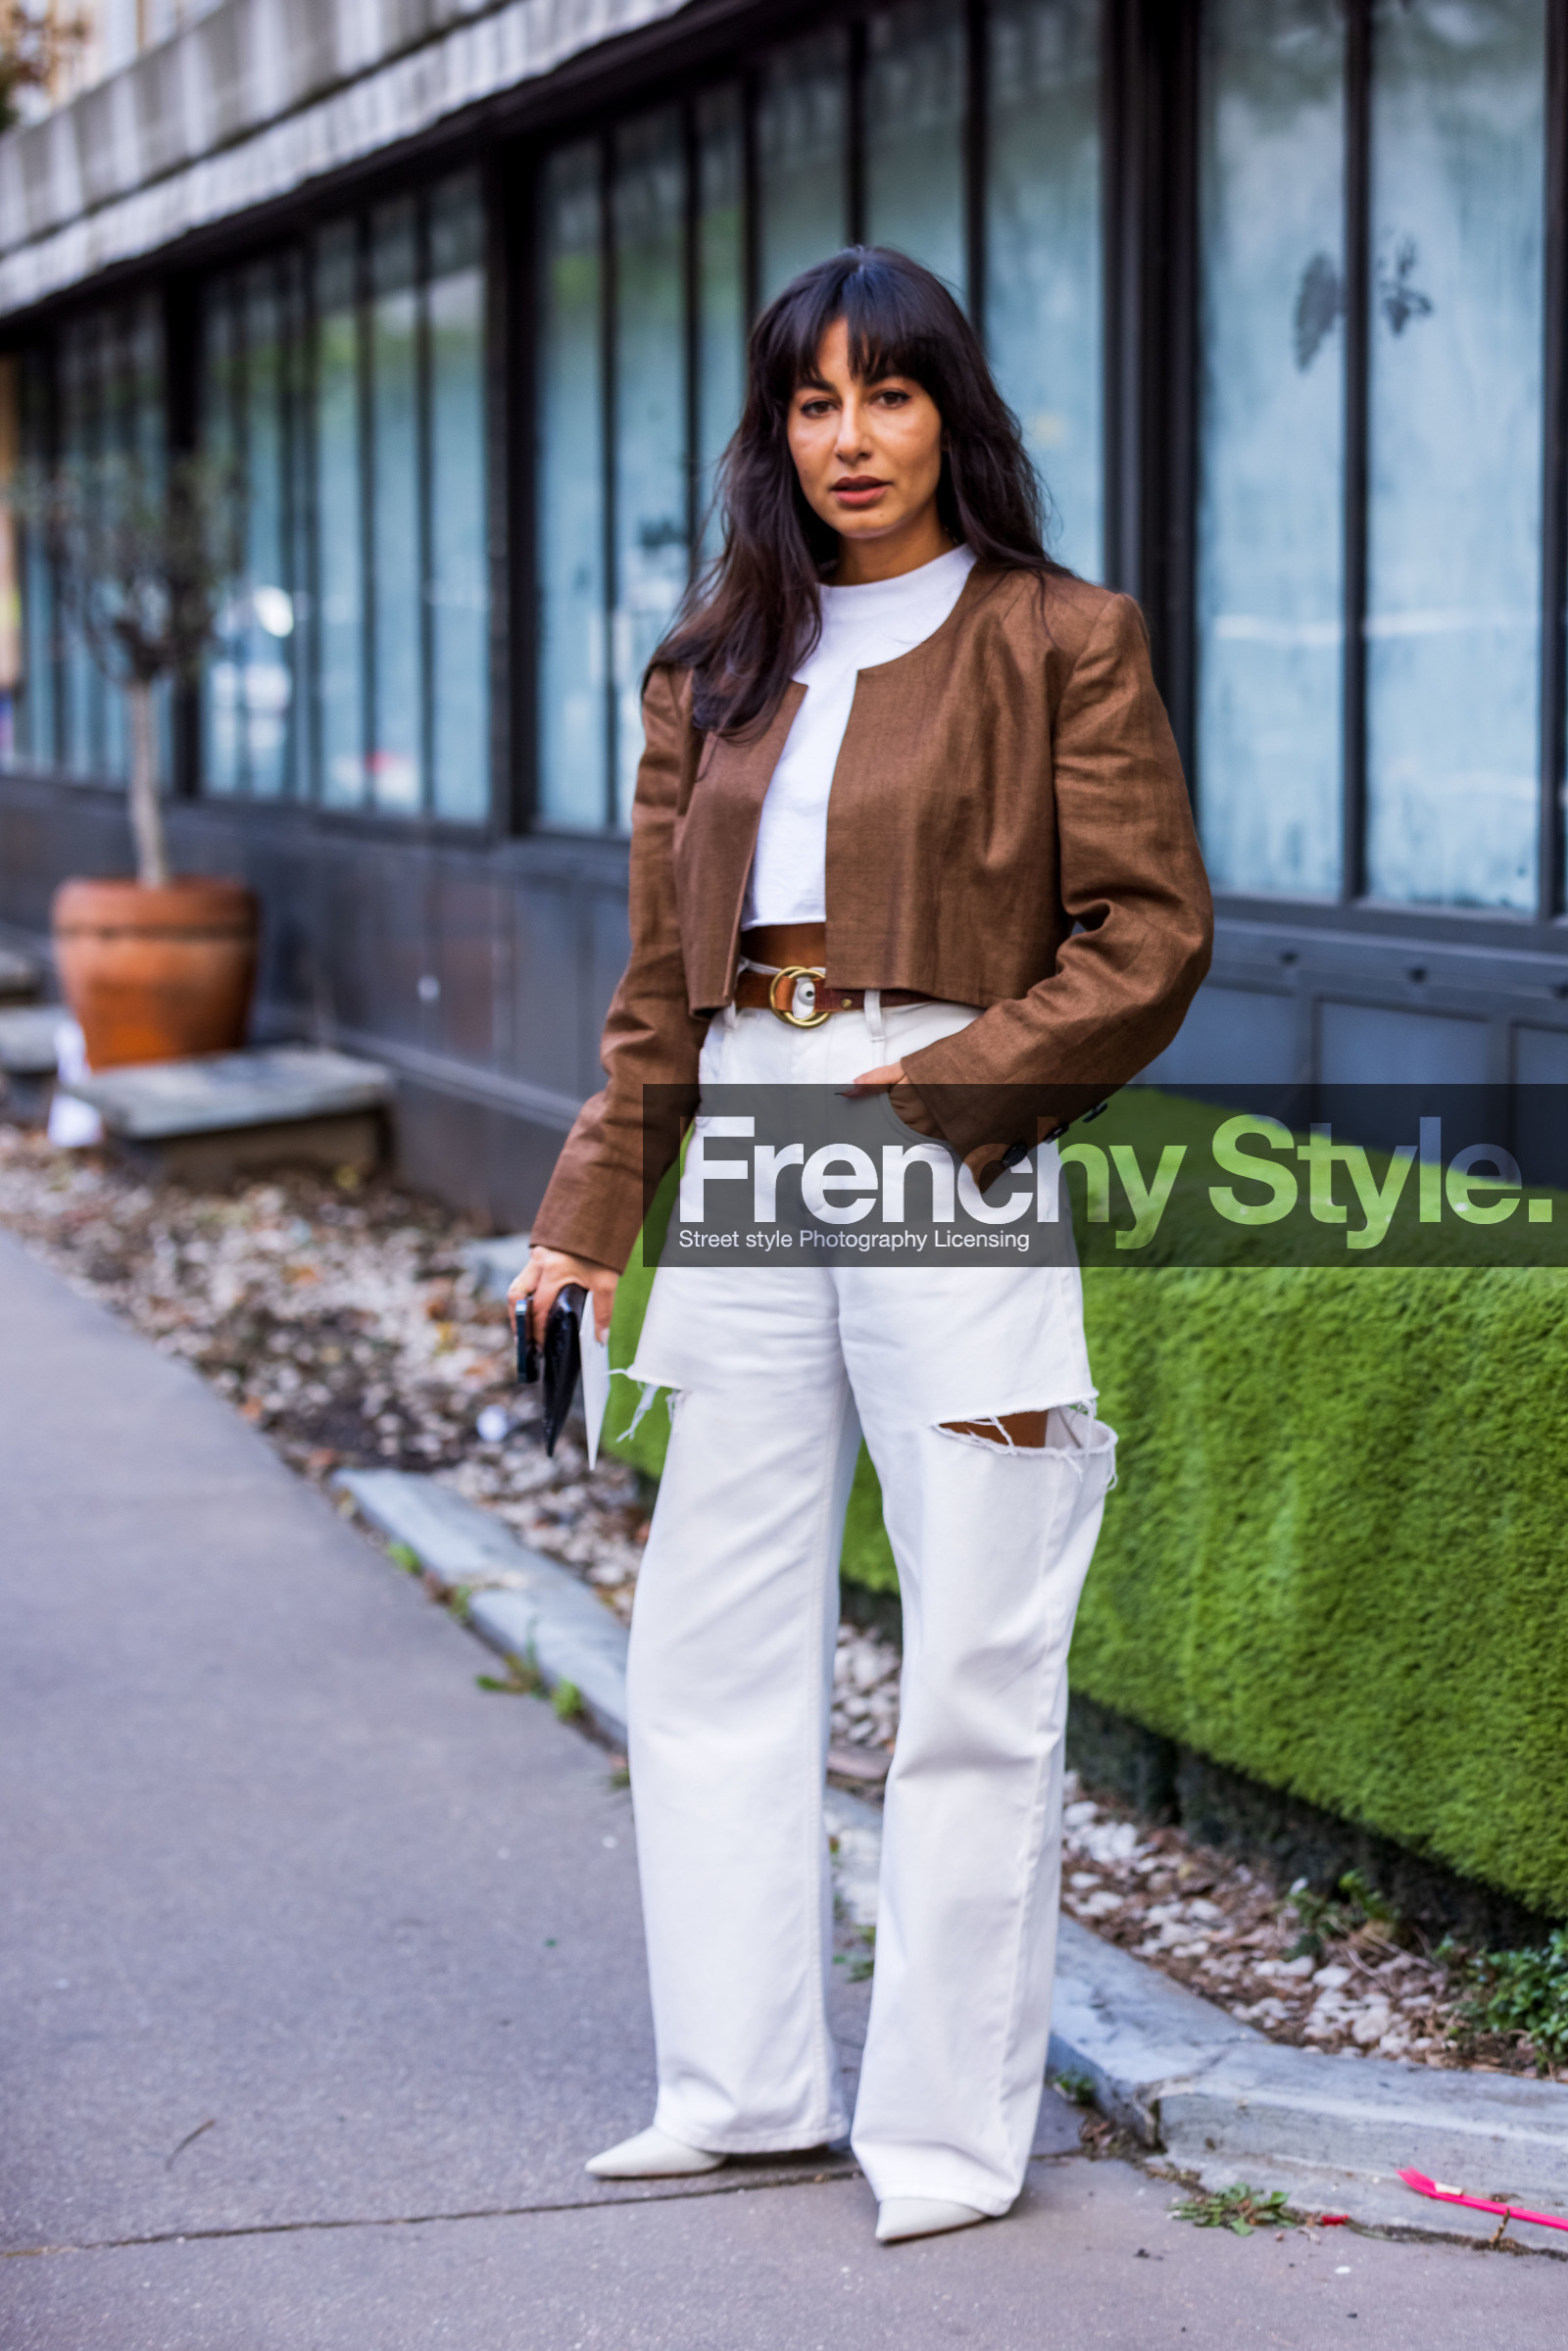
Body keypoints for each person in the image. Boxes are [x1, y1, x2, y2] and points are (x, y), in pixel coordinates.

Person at [511, 246, 1211, 2245]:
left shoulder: (1058, 638)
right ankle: (736, 2093)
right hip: (742, 1132)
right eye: (811, 402)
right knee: (711, 1640)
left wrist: (923, 1103)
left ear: (945, 413)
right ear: (775, 432)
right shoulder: (713, 663)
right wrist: (584, 1217)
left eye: (885, 395)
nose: (848, 437)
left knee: (973, 1649)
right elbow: (662, 985)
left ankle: (940, 2136)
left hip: (937, 1131)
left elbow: (1145, 940)